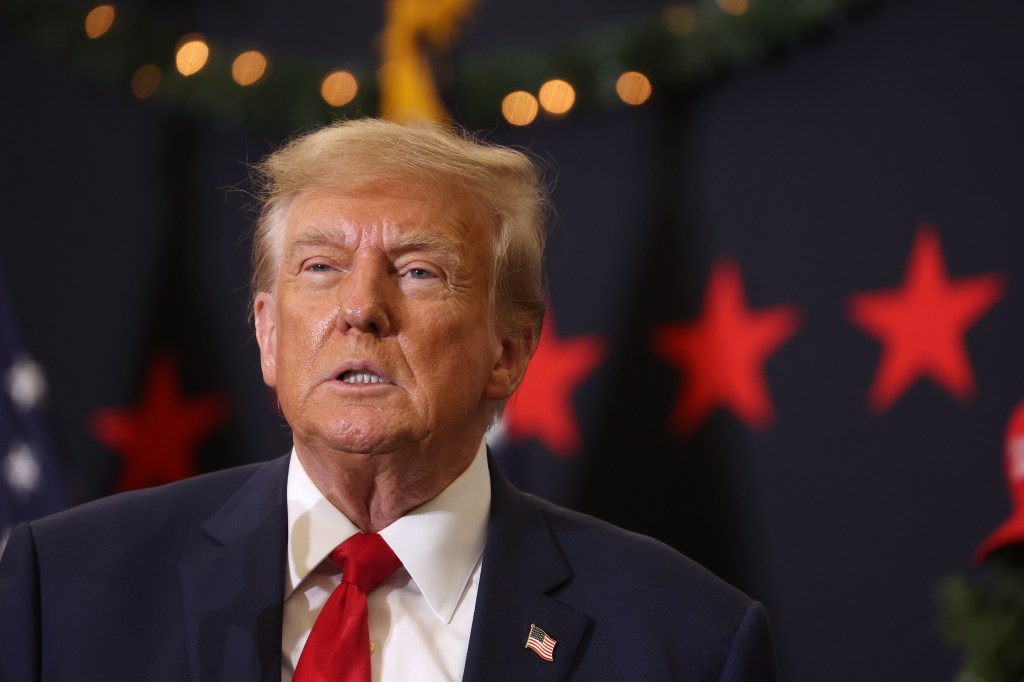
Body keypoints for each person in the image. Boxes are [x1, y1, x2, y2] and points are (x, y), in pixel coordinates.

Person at [0, 119, 779, 681]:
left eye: (417, 271)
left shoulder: (686, 640)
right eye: (319, 267)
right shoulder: (64, 586)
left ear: (508, 351)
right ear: (269, 337)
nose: (360, 308)